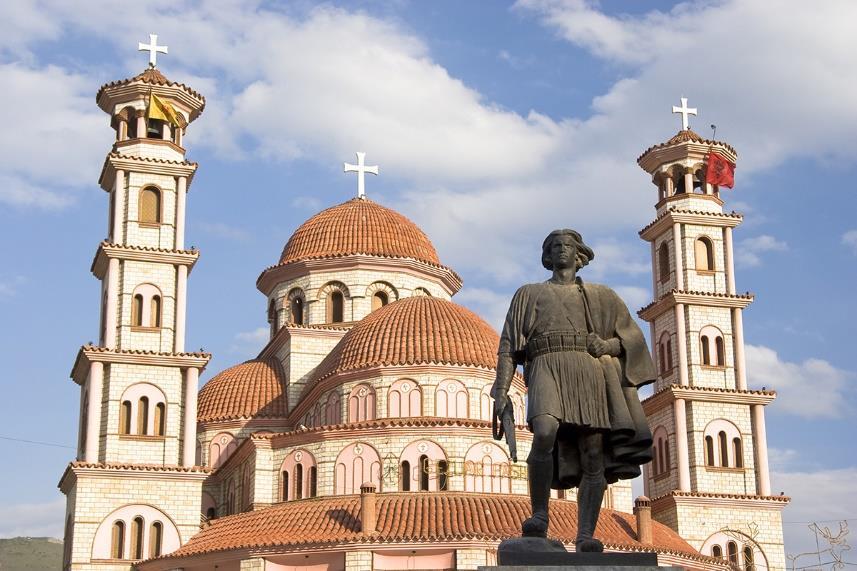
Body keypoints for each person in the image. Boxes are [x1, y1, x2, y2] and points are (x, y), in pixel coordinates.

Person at [492, 229, 655, 552]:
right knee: (544, 433)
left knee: (592, 452)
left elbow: (632, 338)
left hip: (588, 370)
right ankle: (539, 515)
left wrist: (607, 344)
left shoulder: (601, 295)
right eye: (554, 247)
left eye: (567, 246)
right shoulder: (528, 293)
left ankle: (585, 534)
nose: (561, 250)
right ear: (547, 256)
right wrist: (501, 388)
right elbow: (509, 343)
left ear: (579, 256)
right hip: (546, 364)